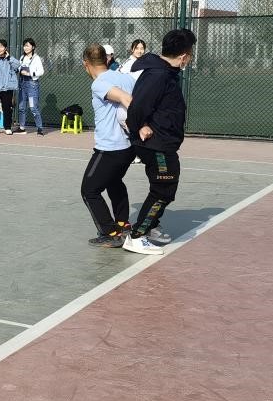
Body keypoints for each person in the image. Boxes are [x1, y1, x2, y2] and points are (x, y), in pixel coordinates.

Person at [123, 28, 197, 255]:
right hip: (156, 144)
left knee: (165, 187)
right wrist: (139, 126)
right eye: (190, 54)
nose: (190, 58)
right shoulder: (158, 75)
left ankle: (151, 225)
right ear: (184, 56)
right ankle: (137, 235)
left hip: (163, 142)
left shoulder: (165, 72)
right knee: (163, 190)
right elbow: (137, 107)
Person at [80, 43, 137, 248]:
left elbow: (126, 99)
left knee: (89, 190)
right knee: (114, 181)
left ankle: (110, 232)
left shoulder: (99, 83)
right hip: (129, 147)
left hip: (110, 148)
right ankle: (123, 223)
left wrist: (140, 123)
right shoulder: (126, 78)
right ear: (107, 59)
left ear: (86, 64)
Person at [15, 37, 45, 135]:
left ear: (33, 47)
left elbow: (41, 71)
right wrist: (18, 69)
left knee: (33, 108)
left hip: (32, 85)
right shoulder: (22, 57)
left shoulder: (36, 58)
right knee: (21, 107)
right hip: (22, 84)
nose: (26, 48)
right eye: (24, 46)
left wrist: (30, 73)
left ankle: (39, 128)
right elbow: (19, 68)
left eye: (28, 46)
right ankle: (22, 128)